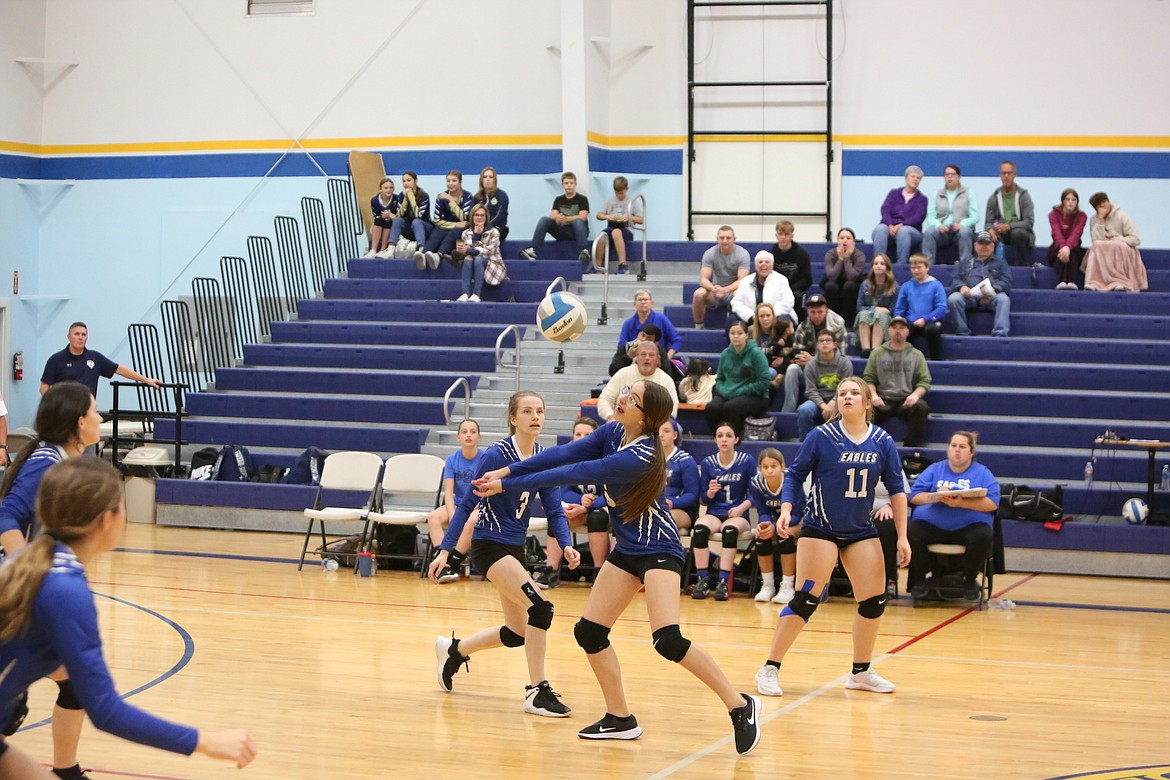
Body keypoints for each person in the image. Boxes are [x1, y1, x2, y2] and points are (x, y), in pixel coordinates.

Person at [473, 381, 762, 755]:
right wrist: (508, 472)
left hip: (659, 548)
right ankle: (620, 718)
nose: (622, 397)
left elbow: (572, 472)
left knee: (668, 640)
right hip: (627, 549)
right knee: (590, 632)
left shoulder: (641, 454)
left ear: (646, 416)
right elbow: (563, 454)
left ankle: (740, 705)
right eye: (626, 390)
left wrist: (505, 483)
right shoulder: (613, 431)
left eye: (632, 397)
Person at [0, 458, 257, 780]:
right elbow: (106, 711)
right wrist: (205, 741)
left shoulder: (28, 561)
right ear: (107, 519)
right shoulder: (66, 591)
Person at [754, 376, 909, 698]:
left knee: (873, 601)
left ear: (867, 402)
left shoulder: (882, 440)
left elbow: (897, 489)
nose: (847, 397)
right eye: (842, 393)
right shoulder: (821, 436)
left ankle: (861, 671)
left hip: (859, 530)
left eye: (854, 393)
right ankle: (769, 667)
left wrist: (903, 537)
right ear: (836, 402)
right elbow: (795, 475)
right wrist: (785, 509)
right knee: (806, 598)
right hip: (820, 528)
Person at [428, 390, 579, 718]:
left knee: (517, 632)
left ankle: (455, 650)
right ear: (513, 418)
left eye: (539, 410)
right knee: (541, 609)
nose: (535, 416)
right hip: (489, 546)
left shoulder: (545, 456)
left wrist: (565, 543)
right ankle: (537, 692)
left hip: (514, 547)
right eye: (527, 411)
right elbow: (467, 503)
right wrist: (445, 551)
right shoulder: (497, 455)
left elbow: (554, 510)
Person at [0, 382, 103, 780]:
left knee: (72, 681)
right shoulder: (47, 460)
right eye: (95, 412)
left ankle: (66, 769)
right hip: (12, 591)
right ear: (79, 422)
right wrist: (26, 571)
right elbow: (7, 516)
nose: (101, 418)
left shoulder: (62, 460)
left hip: (27, 593)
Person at [908, 431, 1000, 600]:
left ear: (971, 452)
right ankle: (924, 577)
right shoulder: (935, 469)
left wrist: (960, 503)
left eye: (962, 447)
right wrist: (936, 496)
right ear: (948, 449)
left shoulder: (982, 473)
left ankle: (969, 578)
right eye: (954, 446)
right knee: (913, 530)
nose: (957, 450)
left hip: (967, 528)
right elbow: (914, 496)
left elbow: (993, 503)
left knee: (984, 534)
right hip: (933, 526)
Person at [534, 417, 611, 589]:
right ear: (573, 437)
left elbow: (612, 493)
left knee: (597, 517)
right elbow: (564, 490)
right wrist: (579, 503)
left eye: (587, 434)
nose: (582, 437)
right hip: (579, 509)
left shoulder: (606, 458)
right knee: (558, 517)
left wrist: (587, 506)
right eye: (578, 434)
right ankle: (551, 571)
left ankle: (599, 572)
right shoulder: (569, 458)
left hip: (603, 509)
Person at [692, 423, 758, 602]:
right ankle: (702, 580)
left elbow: (755, 494)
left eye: (728, 435)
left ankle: (723, 581)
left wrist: (741, 508)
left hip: (738, 514)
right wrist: (710, 493)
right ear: (715, 439)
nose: (724, 439)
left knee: (729, 532)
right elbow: (703, 500)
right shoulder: (708, 463)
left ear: (736, 439)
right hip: (715, 512)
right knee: (699, 530)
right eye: (720, 435)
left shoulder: (746, 461)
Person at [426, 418, 482, 584]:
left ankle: (453, 562)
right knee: (433, 517)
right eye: (464, 432)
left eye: (473, 432)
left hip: (479, 505)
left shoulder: (485, 458)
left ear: (479, 437)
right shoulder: (452, 460)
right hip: (458, 504)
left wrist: (468, 511)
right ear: (458, 437)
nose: (468, 435)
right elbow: (449, 491)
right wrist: (452, 514)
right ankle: (441, 563)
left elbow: (485, 490)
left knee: (470, 522)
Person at [40, 322, 160, 397]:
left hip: (86, 413)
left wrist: (145, 380)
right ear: (69, 337)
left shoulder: (95, 358)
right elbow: (44, 388)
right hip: (64, 413)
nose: (80, 338)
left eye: (83, 334)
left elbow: (119, 369)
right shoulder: (56, 360)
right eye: (77, 334)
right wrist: (55, 407)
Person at [863, 317, 932, 448]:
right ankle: (868, 447)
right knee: (866, 408)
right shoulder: (877, 353)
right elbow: (869, 378)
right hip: (882, 399)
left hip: (905, 400)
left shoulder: (916, 355)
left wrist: (915, 396)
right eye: (894, 328)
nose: (897, 331)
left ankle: (912, 449)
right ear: (889, 331)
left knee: (921, 408)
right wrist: (873, 395)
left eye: (901, 328)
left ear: (907, 331)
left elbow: (925, 381)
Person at [745, 448, 799, 604]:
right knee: (761, 538)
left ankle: (788, 586)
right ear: (760, 468)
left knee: (785, 537)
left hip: (796, 521)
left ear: (782, 466)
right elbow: (762, 510)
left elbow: (798, 513)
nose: (769, 470)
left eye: (773, 466)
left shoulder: (791, 481)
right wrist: (765, 524)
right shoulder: (756, 483)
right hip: (776, 523)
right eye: (765, 467)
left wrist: (775, 527)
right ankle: (768, 585)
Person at [704, 321, 770, 437]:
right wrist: (724, 391)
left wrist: (740, 391)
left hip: (756, 396)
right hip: (728, 393)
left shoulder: (756, 354)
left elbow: (764, 382)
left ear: (746, 335)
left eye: (739, 333)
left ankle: (736, 438)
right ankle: (718, 437)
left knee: (730, 408)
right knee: (712, 408)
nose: (735, 336)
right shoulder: (725, 353)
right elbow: (720, 379)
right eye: (732, 333)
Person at [948, 231, 1013, 337]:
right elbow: (954, 279)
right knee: (953, 299)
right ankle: (963, 332)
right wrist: (962, 287)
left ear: (992, 246)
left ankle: (1000, 333)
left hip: (992, 297)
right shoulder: (966, 261)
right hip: (969, 297)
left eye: (987, 244)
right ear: (975, 246)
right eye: (981, 244)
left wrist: (994, 290)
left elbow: (1007, 281)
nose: (984, 247)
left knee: (1004, 299)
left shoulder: (1001, 262)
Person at [1082, 192, 1148, 292]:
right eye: (1099, 205)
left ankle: (1121, 281)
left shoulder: (1122, 216)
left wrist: (1119, 239)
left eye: (1104, 202)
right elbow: (1096, 240)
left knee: (1117, 245)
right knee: (1096, 246)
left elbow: (1135, 239)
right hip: (1104, 253)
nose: (1103, 205)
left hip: (1123, 250)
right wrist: (1100, 221)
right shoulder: (1094, 220)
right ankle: (1095, 282)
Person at [519, 172, 590, 263]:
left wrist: (565, 219)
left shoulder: (582, 199)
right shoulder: (558, 199)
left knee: (578, 221)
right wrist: (558, 218)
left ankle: (584, 251)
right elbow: (552, 215)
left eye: (571, 183)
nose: (569, 186)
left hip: (576, 232)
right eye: (566, 183)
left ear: (575, 184)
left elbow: (582, 217)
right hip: (562, 230)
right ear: (562, 185)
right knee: (545, 219)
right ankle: (533, 250)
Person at [597, 341, 678, 421]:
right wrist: (610, 416)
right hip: (621, 424)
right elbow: (604, 399)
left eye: (651, 355)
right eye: (643, 354)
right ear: (637, 358)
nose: (647, 358)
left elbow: (672, 409)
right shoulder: (622, 373)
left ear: (658, 359)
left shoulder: (666, 380)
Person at [796, 331, 853, 441]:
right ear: (817, 345)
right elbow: (810, 391)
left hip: (839, 400)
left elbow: (846, 387)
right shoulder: (811, 365)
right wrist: (823, 406)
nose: (825, 343)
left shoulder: (845, 363)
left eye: (828, 340)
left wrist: (833, 402)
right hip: (818, 402)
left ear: (834, 344)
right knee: (804, 410)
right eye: (821, 341)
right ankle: (806, 442)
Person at [609, 289, 681, 374]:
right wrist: (630, 356)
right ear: (634, 304)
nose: (643, 302)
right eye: (640, 300)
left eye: (646, 299)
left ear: (652, 303)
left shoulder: (662, 319)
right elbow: (622, 346)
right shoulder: (628, 323)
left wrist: (666, 358)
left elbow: (676, 340)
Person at [692, 226, 750, 328]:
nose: (725, 241)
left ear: (734, 239)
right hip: (715, 290)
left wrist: (725, 290)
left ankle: (735, 326)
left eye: (728, 238)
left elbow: (742, 280)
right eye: (722, 238)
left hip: (733, 291)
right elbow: (703, 279)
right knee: (698, 294)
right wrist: (712, 288)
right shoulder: (710, 253)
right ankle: (699, 325)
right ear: (717, 239)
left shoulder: (743, 254)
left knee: (739, 294)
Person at [892, 254, 946, 361]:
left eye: (919, 267)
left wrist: (925, 319)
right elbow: (899, 309)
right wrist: (898, 320)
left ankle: (936, 359)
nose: (916, 270)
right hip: (911, 321)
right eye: (913, 268)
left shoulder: (936, 285)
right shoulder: (906, 286)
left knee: (932, 330)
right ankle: (905, 361)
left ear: (927, 267)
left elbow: (941, 308)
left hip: (930, 321)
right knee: (903, 330)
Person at [871, 165, 927, 264]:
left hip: (911, 231)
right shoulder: (894, 193)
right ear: (906, 178)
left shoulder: (922, 199)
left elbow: (919, 217)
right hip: (890, 228)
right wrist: (890, 225)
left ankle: (902, 263)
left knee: (904, 231)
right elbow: (885, 210)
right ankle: (879, 262)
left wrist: (901, 225)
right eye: (913, 176)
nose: (915, 179)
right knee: (880, 229)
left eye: (918, 178)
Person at [922, 164, 978, 264]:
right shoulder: (937, 193)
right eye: (947, 174)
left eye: (952, 174)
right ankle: (927, 266)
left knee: (965, 232)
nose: (949, 177)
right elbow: (931, 216)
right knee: (929, 232)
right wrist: (938, 225)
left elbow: (975, 216)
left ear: (959, 177)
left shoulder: (968, 192)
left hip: (960, 231)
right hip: (943, 232)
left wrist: (962, 225)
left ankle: (966, 267)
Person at [983, 161, 1035, 266]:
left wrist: (1009, 226)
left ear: (1015, 175)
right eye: (1003, 173)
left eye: (1009, 173)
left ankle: (1020, 269)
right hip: (1000, 234)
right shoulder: (994, 197)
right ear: (1000, 175)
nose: (1006, 176)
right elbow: (988, 222)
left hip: (1020, 234)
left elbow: (1029, 222)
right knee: (983, 237)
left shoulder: (1024, 196)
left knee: (1018, 233)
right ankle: (986, 271)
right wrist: (990, 230)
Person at [420, 169, 474, 270]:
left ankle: (439, 255)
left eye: (454, 181)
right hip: (448, 224)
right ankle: (423, 254)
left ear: (460, 182)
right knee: (438, 231)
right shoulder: (441, 196)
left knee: (455, 232)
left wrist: (450, 200)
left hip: (461, 228)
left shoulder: (467, 196)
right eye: (448, 181)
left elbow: (465, 219)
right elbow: (436, 220)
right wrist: (454, 224)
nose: (450, 183)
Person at [751, 302, 799, 412]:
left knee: (783, 373)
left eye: (768, 315)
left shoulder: (780, 331)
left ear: (773, 316)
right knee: (770, 372)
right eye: (762, 316)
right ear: (757, 318)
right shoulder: (750, 332)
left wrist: (783, 358)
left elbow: (789, 352)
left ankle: (778, 411)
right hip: (758, 367)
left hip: (779, 368)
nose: (765, 319)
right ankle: (761, 408)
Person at [731, 250, 796, 329]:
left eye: (767, 262)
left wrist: (769, 315)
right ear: (755, 266)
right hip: (752, 318)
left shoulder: (781, 280)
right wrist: (751, 316)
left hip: (776, 316)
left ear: (772, 265)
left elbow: (788, 302)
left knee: (783, 322)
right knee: (732, 321)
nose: (763, 264)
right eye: (760, 262)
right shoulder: (745, 281)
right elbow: (736, 303)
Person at [593, 176, 643, 274]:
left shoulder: (632, 202)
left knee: (616, 232)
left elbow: (641, 220)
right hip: (612, 226)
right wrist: (608, 217)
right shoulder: (610, 200)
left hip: (626, 229)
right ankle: (598, 267)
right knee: (601, 237)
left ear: (626, 190)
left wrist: (629, 217)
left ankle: (622, 265)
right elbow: (599, 215)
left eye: (621, 193)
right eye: (616, 193)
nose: (619, 195)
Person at [855, 253, 899, 357]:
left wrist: (882, 311)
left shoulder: (894, 286)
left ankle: (875, 351)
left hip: (886, 318)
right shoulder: (865, 284)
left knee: (880, 315)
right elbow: (859, 307)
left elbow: (894, 309)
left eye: (882, 264)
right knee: (863, 314)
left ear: (887, 267)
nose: (878, 266)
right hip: (868, 315)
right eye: (876, 263)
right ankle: (865, 350)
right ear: (872, 267)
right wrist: (875, 308)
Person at [456, 205, 502, 303]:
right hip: (471, 262)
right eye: (476, 215)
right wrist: (466, 249)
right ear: (472, 217)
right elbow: (468, 251)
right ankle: (465, 293)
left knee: (478, 258)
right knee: (468, 258)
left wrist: (475, 238)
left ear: (486, 218)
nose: (479, 218)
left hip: (492, 263)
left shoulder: (494, 232)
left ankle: (476, 294)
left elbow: (489, 251)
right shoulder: (466, 233)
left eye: (482, 215)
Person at [768, 220, 813, 320]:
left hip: (795, 289)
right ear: (776, 235)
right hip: (776, 289)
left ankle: (797, 325)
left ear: (792, 236)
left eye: (786, 234)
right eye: (780, 234)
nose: (783, 237)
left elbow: (807, 279)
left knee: (797, 297)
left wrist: (789, 289)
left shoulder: (802, 254)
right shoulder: (770, 255)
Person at [820, 228, 865, 327]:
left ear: (853, 242)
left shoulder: (859, 255)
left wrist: (847, 258)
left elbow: (852, 276)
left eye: (848, 238)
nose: (844, 240)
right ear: (838, 241)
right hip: (835, 282)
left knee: (849, 286)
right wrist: (840, 258)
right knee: (830, 286)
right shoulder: (830, 254)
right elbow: (832, 276)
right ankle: (833, 321)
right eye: (841, 238)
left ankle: (848, 322)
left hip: (851, 284)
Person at [660, 418, 699, 532]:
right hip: (655, 508)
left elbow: (692, 495)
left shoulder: (686, 461)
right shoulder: (648, 459)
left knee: (663, 520)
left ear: (675, 435)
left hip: (681, 509)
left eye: (666, 431)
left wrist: (672, 503)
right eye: (658, 431)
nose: (661, 435)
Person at [387, 171, 430, 264]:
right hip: (409, 229)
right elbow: (399, 215)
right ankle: (390, 248)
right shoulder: (401, 196)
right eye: (403, 181)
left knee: (416, 221)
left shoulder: (424, 196)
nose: (405, 183)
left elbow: (418, 215)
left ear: (415, 181)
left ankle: (421, 249)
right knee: (398, 220)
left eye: (408, 180)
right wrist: (405, 200)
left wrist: (411, 196)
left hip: (424, 228)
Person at [1047, 188, 1087, 290]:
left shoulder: (1082, 216)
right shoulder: (1053, 215)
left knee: (1073, 253)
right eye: (1067, 199)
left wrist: (1068, 247)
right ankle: (1062, 281)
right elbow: (1057, 233)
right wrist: (1063, 247)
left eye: (1073, 200)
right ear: (1063, 201)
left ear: (1077, 202)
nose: (1070, 202)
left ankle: (1072, 282)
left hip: (1074, 248)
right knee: (1061, 253)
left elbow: (1076, 233)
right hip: (1057, 248)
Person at [792, 293, 847, 365]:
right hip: (808, 366)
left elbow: (841, 356)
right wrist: (802, 358)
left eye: (820, 312)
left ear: (826, 311)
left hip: (831, 366)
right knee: (793, 368)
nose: (816, 316)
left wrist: (814, 360)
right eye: (812, 312)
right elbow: (797, 352)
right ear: (808, 312)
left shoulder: (838, 326)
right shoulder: (802, 327)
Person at [472, 166, 510, 240]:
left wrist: (485, 226)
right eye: (485, 177)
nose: (488, 179)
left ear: (494, 180)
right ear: (481, 180)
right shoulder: (477, 197)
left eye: (491, 177)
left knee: (486, 235)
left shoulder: (502, 196)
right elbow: (471, 213)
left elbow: (499, 216)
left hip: (496, 227)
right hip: (477, 226)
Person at [364, 176, 397, 258]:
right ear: (380, 189)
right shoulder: (374, 200)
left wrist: (390, 215)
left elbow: (400, 215)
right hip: (379, 222)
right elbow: (375, 215)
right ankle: (373, 250)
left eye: (391, 188)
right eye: (386, 188)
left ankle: (382, 250)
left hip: (392, 222)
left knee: (388, 221)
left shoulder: (397, 199)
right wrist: (382, 216)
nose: (388, 190)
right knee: (378, 220)